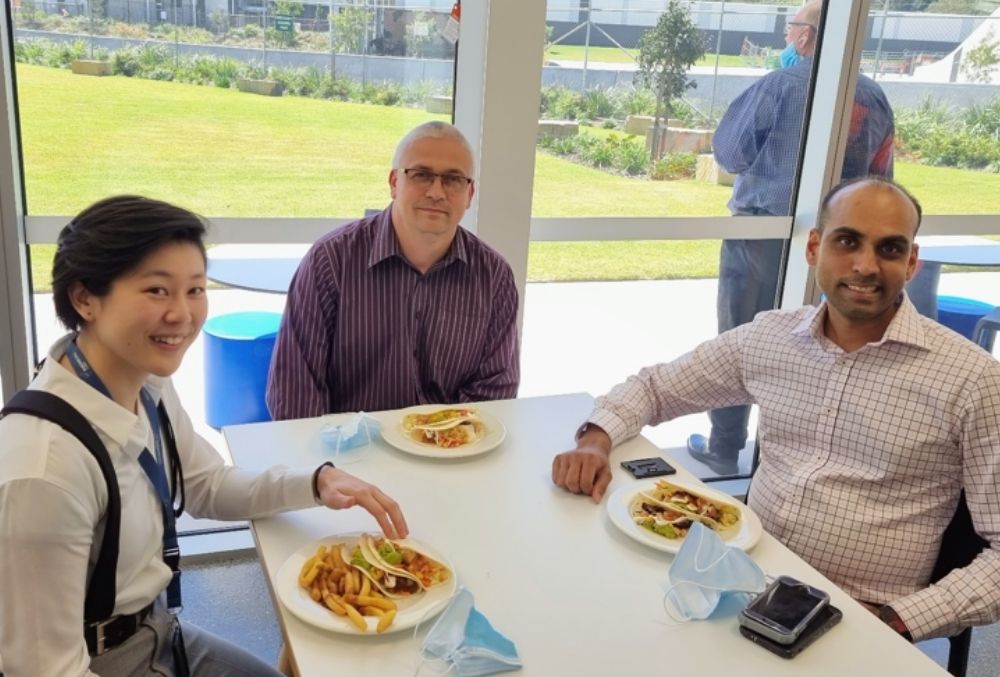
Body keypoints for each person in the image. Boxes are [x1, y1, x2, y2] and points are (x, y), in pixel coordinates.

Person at [552, 177, 1000, 642]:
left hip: (861, 619)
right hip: (739, 583)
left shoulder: (971, 382)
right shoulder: (771, 338)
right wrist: (595, 440)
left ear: (911, 263)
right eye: (847, 241)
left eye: (889, 249)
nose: (866, 265)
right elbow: (655, 387)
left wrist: (898, 620)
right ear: (813, 247)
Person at [0, 196, 409, 676]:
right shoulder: (44, 469)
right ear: (84, 298)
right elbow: (44, 668)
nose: (182, 314)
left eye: (195, 289)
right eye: (156, 290)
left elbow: (206, 486)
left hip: (157, 630)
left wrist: (316, 482)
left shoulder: (144, 383)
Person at [689, 0, 896, 476]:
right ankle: (796, 453)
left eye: (791, 28)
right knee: (828, 343)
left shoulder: (778, 86)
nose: (787, 37)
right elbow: (882, 176)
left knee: (742, 335)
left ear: (805, 37)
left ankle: (725, 446)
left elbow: (731, 153)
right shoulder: (872, 97)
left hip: (762, 235)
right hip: (845, 248)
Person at [267, 121, 520, 420]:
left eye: (453, 180)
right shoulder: (331, 262)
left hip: (451, 455)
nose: (436, 192)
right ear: (393, 183)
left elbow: (495, 393)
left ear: (470, 194)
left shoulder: (494, 278)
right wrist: (327, 466)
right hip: (349, 454)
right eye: (421, 175)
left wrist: (444, 446)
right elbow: (295, 391)